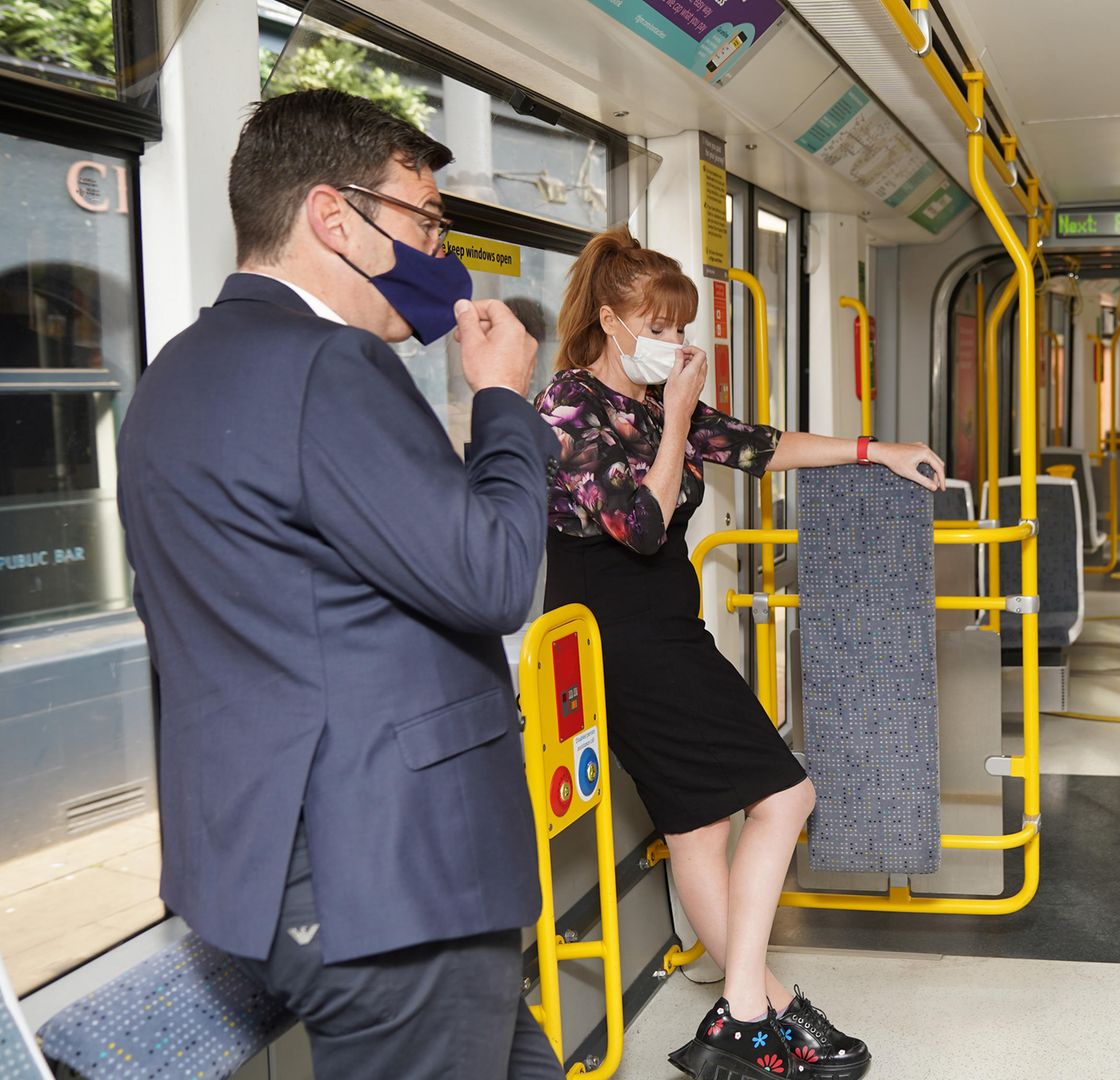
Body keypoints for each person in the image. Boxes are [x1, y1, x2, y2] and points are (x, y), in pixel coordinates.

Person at [116, 89, 561, 1079]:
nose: (439, 253)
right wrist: (500, 402)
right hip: (392, 881)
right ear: (334, 215)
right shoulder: (329, 365)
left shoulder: (175, 376)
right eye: (425, 221)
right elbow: (492, 577)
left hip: (280, 862)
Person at [537, 227, 943, 1080]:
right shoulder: (568, 407)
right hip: (624, 642)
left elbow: (757, 446)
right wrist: (679, 416)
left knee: (694, 828)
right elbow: (640, 528)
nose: (677, 346)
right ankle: (747, 1014)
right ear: (610, 320)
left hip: (659, 630)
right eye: (661, 326)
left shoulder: (650, 403)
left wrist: (877, 450)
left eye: (684, 330)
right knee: (788, 796)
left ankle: (768, 1009)